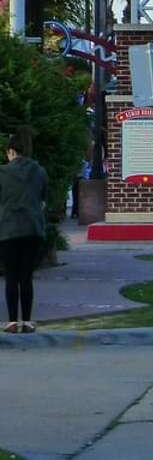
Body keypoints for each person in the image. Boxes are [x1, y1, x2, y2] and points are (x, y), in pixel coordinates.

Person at [0, 127, 48, 334]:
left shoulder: (2, 172)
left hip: (8, 229)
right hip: (33, 229)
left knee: (11, 276)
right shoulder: (39, 171)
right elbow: (43, 201)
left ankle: (12, 321)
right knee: (26, 276)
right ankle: (27, 321)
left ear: (10, 152)